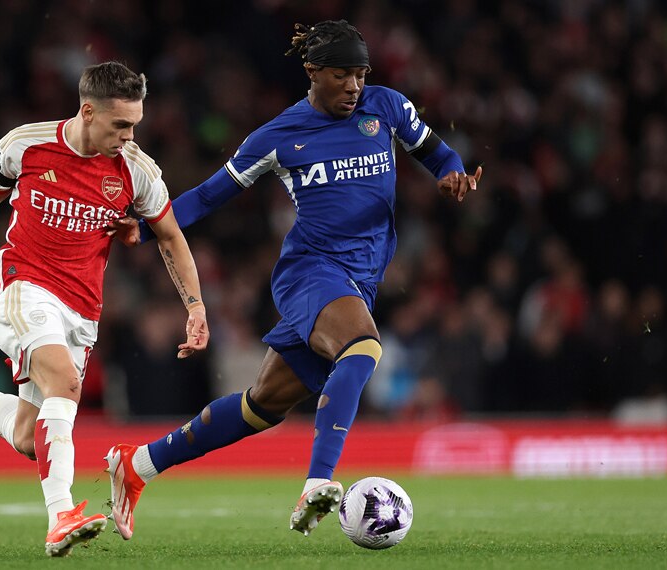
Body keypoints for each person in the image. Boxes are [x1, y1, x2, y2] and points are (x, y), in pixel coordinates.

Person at [104, 20, 480, 540]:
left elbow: (440, 154)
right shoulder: (278, 136)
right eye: (342, 75)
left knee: (262, 406)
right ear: (312, 73)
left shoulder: (386, 106)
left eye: (360, 74)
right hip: (311, 272)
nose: (354, 86)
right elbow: (209, 195)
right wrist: (145, 231)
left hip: (360, 278)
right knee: (363, 348)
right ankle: (317, 483)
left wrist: (450, 175)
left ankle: (138, 464)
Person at [0, 61, 209, 557]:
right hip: (24, 288)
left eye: (135, 124)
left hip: (82, 308)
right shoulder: (25, 145)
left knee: (30, 438)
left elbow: (171, 237)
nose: (129, 135)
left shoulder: (136, 170)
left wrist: (195, 306)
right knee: (67, 384)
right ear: (88, 112)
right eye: (120, 125)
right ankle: (60, 515)